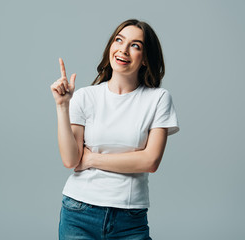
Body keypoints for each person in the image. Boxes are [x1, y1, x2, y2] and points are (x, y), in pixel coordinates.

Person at [50, 19, 179, 240]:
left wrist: (91, 160)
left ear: (146, 59)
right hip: (79, 212)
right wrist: (62, 106)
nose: (123, 50)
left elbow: (150, 162)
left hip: (130, 218)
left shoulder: (158, 99)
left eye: (135, 45)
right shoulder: (85, 96)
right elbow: (71, 161)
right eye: (119, 40)